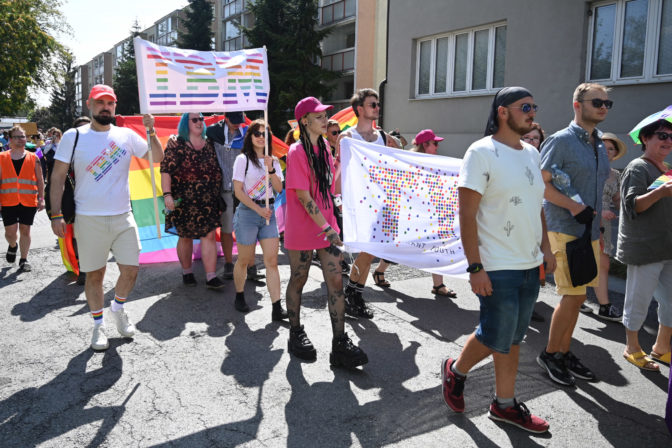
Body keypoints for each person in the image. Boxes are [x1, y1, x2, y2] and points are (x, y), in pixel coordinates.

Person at [442, 87, 555, 433]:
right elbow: (466, 214)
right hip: (495, 264)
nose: (532, 112)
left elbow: (538, 206)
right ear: (503, 112)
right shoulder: (481, 152)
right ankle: (456, 371)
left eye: (534, 106)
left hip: (529, 263)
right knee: (495, 335)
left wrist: (546, 249)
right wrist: (475, 266)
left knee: (514, 338)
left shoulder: (533, 154)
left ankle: (504, 405)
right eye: (525, 107)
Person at [50, 84, 164, 351]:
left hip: (123, 216)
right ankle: (98, 325)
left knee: (131, 269)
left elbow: (157, 157)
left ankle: (118, 307)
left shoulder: (126, 135)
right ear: (89, 105)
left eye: (110, 103)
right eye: (100, 102)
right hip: (89, 219)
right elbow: (57, 177)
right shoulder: (73, 136)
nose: (105, 107)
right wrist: (55, 214)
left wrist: (151, 130)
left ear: (115, 107)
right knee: (95, 276)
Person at [284, 96, 368, 368]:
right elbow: (304, 196)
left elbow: (333, 189)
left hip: (326, 227)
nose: (325, 120)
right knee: (299, 279)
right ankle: (295, 332)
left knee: (335, 282)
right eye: (319, 116)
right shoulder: (296, 152)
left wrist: (343, 157)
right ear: (305, 120)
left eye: (325, 115)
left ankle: (339, 343)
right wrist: (328, 228)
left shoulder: (325, 149)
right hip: (304, 228)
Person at [537, 83, 611, 386]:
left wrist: (598, 228)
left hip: (589, 231)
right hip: (564, 228)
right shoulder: (561, 140)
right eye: (598, 102)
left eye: (608, 103)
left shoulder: (597, 143)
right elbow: (540, 184)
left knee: (578, 295)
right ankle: (551, 353)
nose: (604, 107)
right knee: (573, 294)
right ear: (577, 104)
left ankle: (564, 352)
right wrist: (573, 207)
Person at [338, 88, 400, 319]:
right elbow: (340, 172)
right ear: (360, 109)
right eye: (372, 104)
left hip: (382, 202)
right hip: (360, 202)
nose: (377, 108)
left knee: (371, 252)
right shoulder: (348, 138)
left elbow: (399, 163)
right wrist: (339, 200)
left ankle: (354, 296)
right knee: (367, 251)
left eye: (377, 104)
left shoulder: (384, 138)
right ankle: (353, 294)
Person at [617, 118, 672, 371]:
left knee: (671, 301)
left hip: (667, 247)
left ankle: (661, 348)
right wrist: (660, 192)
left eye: (671, 137)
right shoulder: (638, 167)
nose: (668, 141)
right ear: (646, 139)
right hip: (645, 248)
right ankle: (632, 347)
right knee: (638, 300)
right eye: (662, 135)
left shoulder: (667, 169)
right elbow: (632, 206)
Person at [231, 119, 287, 320]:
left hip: (269, 214)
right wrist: (257, 209)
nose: (262, 137)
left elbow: (280, 189)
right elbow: (238, 191)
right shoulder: (242, 160)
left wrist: (271, 169)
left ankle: (277, 307)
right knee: (245, 260)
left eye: (265, 134)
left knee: (271, 261)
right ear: (251, 137)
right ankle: (239, 295)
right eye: (257, 133)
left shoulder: (272, 160)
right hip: (247, 212)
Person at [160, 113, 224, 289]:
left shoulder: (210, 143)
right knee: (185, 236)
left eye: (201, 119)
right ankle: (187, 271)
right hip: (184, 200)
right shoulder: (176, 144)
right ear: (185, 123)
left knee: (209, 235)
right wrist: (167, 195)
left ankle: (211, 276)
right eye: (194, 119)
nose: (199, 122)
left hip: (208, 199)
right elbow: (165, 170)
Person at [407, 129, 457, 298]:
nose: (437, 146)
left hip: (433, 213)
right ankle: (380, 270)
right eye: (435, 143)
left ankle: (438, 285)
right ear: (425, 145)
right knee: (403, 246)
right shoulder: (412, 163)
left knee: (438, 246)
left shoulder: (437, 162)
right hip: (416, 214)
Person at [583, 132, 626, 321]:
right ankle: (584, 300)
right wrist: (600, 213)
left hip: (605, 225)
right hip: (586, 220)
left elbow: (617, 200)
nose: (607, 151)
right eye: (603, 147)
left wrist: (627, 209)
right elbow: (581, 199)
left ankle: (601, 305)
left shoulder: (616, 174)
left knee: (603, 263)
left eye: (611, 149)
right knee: (585, 261)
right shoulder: (586, 170)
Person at [0, 125, 45, 272]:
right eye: (17, 137)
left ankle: (24, 259)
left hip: (28, 200)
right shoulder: (2, 157)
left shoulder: (34, 158)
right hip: (8, 200)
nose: (21, 140)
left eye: (23, 136)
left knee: (25, 230)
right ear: (10, 140)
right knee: (10, 233)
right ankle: (13, 245)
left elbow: (40, 180)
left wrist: (42, 198)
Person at [519, 122, 546, 323]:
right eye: (527, 137)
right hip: (516, 224)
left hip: (536, 223)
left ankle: (529, 306)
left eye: (535, 138)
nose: (531, 141)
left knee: (534, 269)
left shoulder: (541, 162)